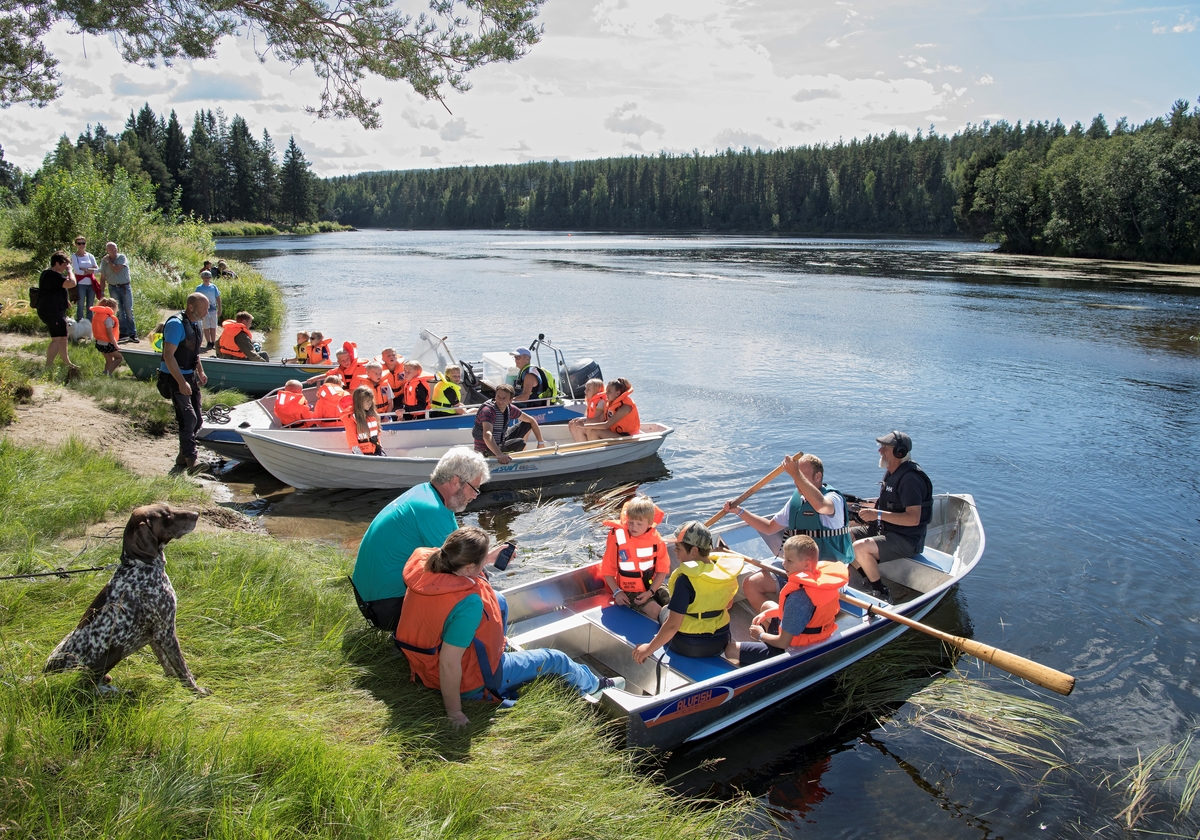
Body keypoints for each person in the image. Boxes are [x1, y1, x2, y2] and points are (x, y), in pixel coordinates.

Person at [395, 526, 622, 726]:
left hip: (424, 662)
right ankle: (596, 685)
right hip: (470, 681)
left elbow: (464, 574)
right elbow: (449, 663)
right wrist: (454, 712)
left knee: (498, 600)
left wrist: (489, 559)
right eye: (481, 561)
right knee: (556, 659)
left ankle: (500, 651)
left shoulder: (430, 562)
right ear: (467, 568)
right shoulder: (468, 603)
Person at [351, 448, 496, 633]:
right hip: (385, 608)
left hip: (367, 598)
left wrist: (487, 558)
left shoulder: (426, 494)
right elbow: (461, 570)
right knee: (472, 595)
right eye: (475, 488)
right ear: (455, 482)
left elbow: (460, 548)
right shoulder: (433, 511)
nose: (475, 496)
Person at [723, 453, 855, 612]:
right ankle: (776, 624)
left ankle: (794, 626)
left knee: (800, 597)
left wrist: (795, 473)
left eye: (801, 476)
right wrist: (739, 511)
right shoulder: (797, 500)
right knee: (751, 584)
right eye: (795, 476)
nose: (796, 481)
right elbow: (769, 527)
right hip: (796, 568)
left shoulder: (833, 499)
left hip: (826, 574)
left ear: (817, 476)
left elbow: (821, 506)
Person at [632, 522, 742, 665]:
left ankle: (654, 595)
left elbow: (672, 626)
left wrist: (648, 649)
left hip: (689, 646)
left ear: (694, 551)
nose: (675, 553)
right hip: (720, 642)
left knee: (665, 611)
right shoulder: (724, 573)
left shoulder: (685, 580)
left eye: (678, 548)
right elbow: (728, 604)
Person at [848, 431, 934, 602]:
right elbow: (886, 506)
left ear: (899, 452)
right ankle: (866, 577)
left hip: (907, 539)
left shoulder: (910, 479)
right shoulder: (892, 473)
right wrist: (859, 509)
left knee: (859, 547)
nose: (880, 451)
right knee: (844, 537)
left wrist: (877, 514)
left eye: (885, 448)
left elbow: (913, 518)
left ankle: (880, 591)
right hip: (886, 530)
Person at [736, 536, 849, 666]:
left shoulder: (798, 598)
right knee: (767, 607)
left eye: (789, 560)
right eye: (784, 559)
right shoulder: (821, 582)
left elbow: (783, 642)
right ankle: (767, 645)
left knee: (731, 650)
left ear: (806, 564)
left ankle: (767, 662)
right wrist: (767, 614)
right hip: (819, 636)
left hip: (795, 649)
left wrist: (760, 635)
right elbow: (804, 614)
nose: (784, 564)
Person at [158, 292, 209, 470]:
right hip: (173, 376)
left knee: (198, 419)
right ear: (191, 307)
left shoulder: (195, 323)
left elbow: (194, 352)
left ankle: (182, 456)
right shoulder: (176, 324)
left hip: (189, 374)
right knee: (188, 418)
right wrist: (181, 382)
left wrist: (200, 372)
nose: (206, 312)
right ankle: (192, 460)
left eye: (208, 308)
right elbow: (168, 355)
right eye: (204, 309)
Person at [600, 495, 670, 619]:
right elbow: (607, 570)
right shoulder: (618, 536)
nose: (633, 527)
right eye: (630, 522)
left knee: (675, 604)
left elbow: (662, 571)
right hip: (628, 590)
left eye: (639, 523)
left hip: (652, 586)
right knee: (657, 612)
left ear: (649, 523)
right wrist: (617, 592)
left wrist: (650, 592)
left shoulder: (656, 539)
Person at [471, 384, 545, 464]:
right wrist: (499, 454)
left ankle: (522, 456)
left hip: (500, 441)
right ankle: (521, 462)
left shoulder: (509, 408)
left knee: (527, 424)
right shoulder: (488, 411)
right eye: (498, 397)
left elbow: (532, 420)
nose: (500, 401)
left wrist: (540, 443)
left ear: (510, 401)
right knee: (519, 443)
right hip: (486, 450)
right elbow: (487, 435)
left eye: (504, 398)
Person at [37, 252, 80, 378]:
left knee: (63, 336)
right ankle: (48, 366)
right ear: (57, 263)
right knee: (57, 338)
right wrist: (70, 272)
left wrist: (64, 300)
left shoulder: (49, 274)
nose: (65, 268)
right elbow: (72, 283)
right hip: (51, 311)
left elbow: (53, 290)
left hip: (55, 309)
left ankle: (67, 363)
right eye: (64, 265)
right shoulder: (52, 275)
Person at [98, 242, 137, 342]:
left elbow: (116, 269)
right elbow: (102, 277)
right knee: (119, 310)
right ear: (107, 251)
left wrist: (109, 262)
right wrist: (101, 292)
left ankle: (133, 333)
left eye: (115, 249)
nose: (114, 251)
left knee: (129, 310)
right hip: (113, 287)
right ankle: (123, 332)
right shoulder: (104, 262)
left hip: (125, 287)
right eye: (111, 249)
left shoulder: (121, 258)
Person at [344, 386, 385, 455]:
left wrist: (381, 449)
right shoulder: (351, 418)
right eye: (367, 401)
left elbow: (377, 436)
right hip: (362, 454)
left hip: (376, 451)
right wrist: (361, 457)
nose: (370, 403)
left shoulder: (372, 416)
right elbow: (352, 442)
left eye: (371, 401)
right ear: (359, 402)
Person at [90, 296, 123, 376]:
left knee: (109, 360)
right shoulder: (108, 318)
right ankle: (108, 374)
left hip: (99, 343)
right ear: (111, 308)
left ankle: (105, 374)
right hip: (107, 344)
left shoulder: (97, 315)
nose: (116, 311)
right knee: (119, 358)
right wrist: (116, 345)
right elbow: (109, 333)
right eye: (116, 309)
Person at [71, 236, 99, 322]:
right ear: (76, 244)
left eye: (83, 243)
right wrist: (90, 270)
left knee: (90, 306)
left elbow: (97, 270)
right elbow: (77, 271)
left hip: (91, 284)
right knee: (80, 305)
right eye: (79, 243)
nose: (81, 245)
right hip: (80, 284)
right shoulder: (74, 256)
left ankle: (89, 324)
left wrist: (85, 270)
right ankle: (80, 323)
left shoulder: (90, 256)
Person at [194, 271, 221, 351]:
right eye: (205, 277)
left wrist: (220, 309)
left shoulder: (213, 287)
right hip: (203, 310)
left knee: (213, 326)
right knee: (206, 326)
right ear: (202, 278)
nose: (206, 279)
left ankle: (213, 342)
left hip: (213, 309)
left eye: (208, 277)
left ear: (210, 278)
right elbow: (195, 298)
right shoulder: (199, 288)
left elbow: (218, 298)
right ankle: (208, 342)